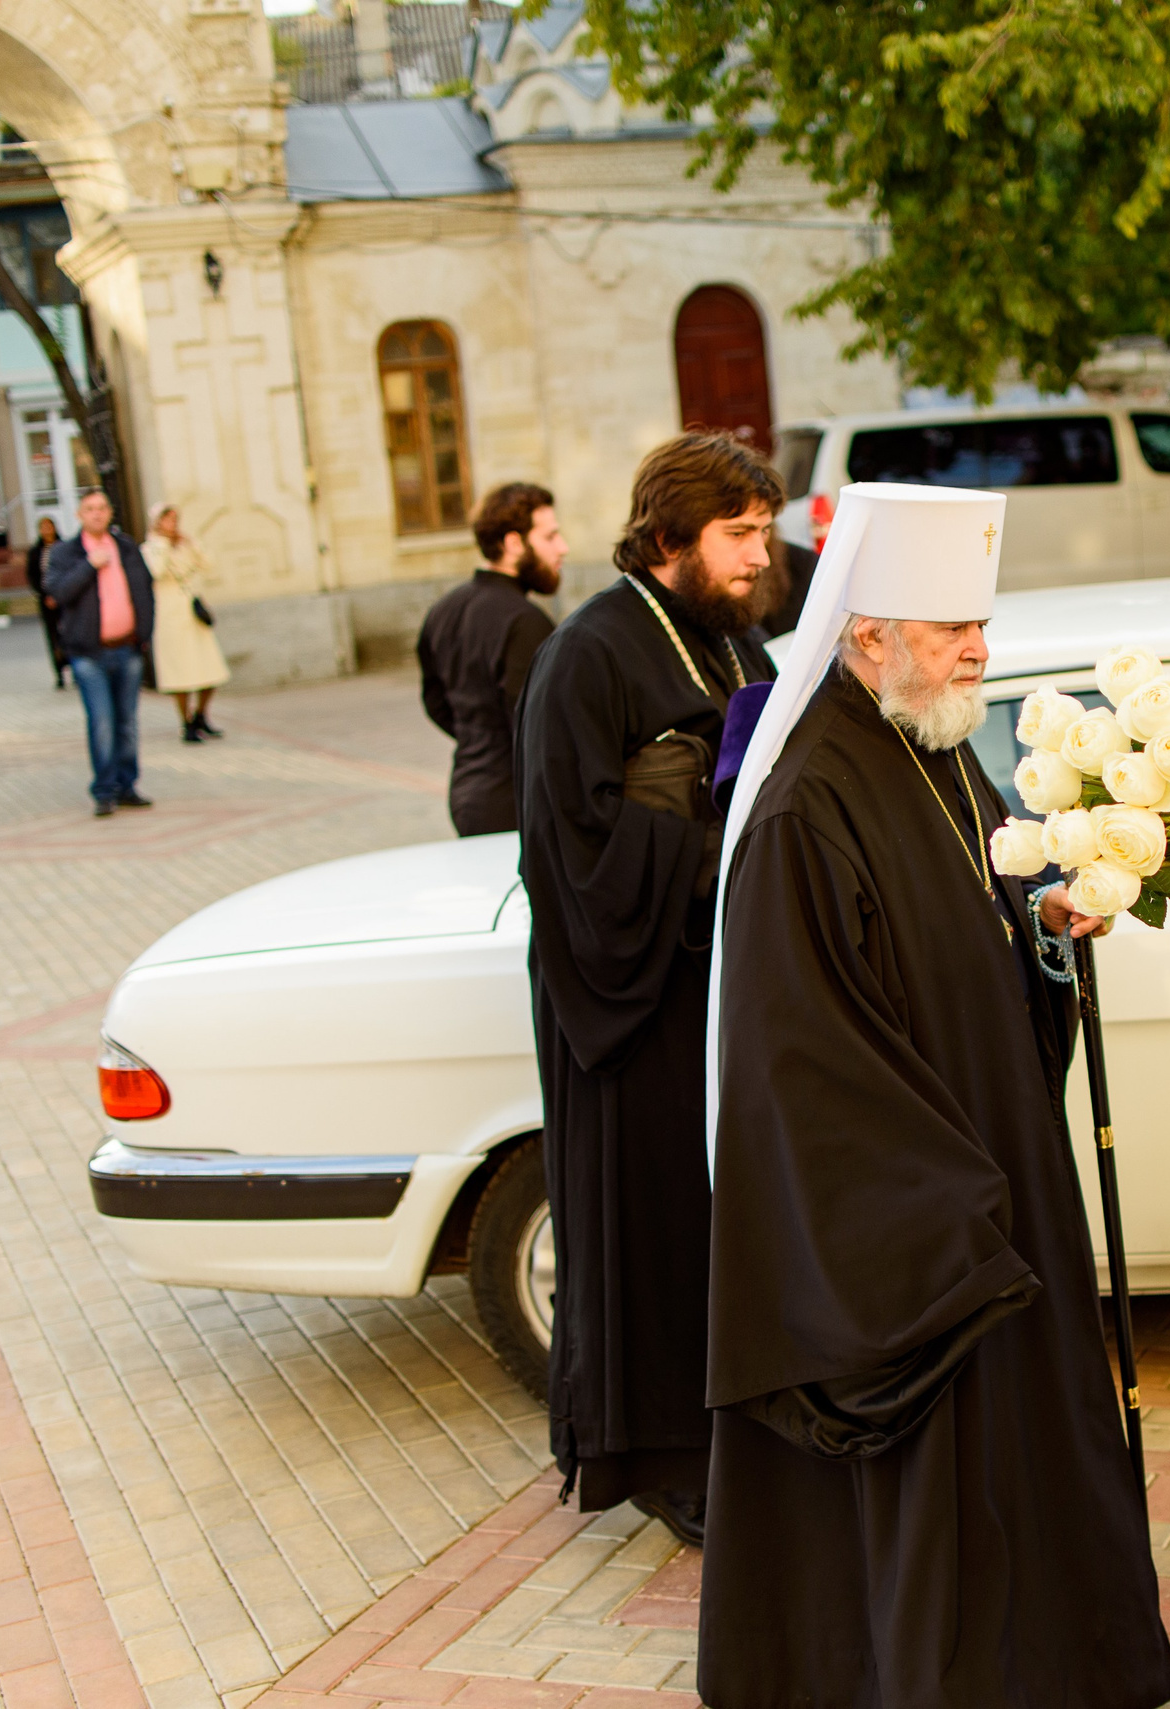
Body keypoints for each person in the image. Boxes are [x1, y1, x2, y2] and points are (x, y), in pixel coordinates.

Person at [698, 481, 1170, 1709]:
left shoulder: (936, 746)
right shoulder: (804, 803)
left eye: (980, 623)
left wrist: (1044, 924)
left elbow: (979, 907)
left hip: (997, 1187)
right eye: (950, 626)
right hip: (924, 1241)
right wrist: (951, 1211)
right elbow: (800, 1063)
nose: (979, 649)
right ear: (867, 634)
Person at [514, 435, 783, 1542]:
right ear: (669, 536)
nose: (758, 556)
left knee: (725, 1227)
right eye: (738, 535)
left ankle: (741, 1438)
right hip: (630, 1001)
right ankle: (672, 1462)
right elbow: (570, 851)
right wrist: (693, 829)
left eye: (764, 533)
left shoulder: (732, 638)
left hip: (717, 985)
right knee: (656, 1231)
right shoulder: (586, 654)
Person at [417, 483, 565, 836]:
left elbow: (435, 702)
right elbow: (539, 729)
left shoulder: (445, 609)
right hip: (515, 802)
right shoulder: (524, 621)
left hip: (467, 791)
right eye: (550, 537)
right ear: (514, 543)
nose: (563, 548)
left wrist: (478, 738)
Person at [43, 490, 155, 819]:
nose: (97, 513)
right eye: (90, 509)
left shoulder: (126, 548)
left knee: (127, 722)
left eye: (103, 507)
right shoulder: (65, 552)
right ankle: (104, 790)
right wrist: (89, 566)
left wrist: (144, 633)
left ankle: (127, 785)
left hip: (127, 648)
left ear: (110, 512)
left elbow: (145, 591)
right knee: (102, 722)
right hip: (88, 654)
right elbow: (58, 592)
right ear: (79, 515)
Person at [145, 505, 231, 741]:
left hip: (193, 612)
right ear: (158, 522)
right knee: (179, 673)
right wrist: (163, 543)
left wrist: (193, 544)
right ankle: (186, 722)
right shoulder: (151, 547)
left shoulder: (185, 545)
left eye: (175, 519)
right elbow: (156, 571)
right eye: (168, 520)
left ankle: (201, 715)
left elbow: (209, 565)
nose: (173, 524)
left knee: (211, 668)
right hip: (170, 615)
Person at [25, 514, 69, 689]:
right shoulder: (36, 551)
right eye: (43, 528)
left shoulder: (64, 547)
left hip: (66, 598)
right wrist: (45, 595)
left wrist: (62, 594)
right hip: (46, 601)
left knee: (69, 633)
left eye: (49, 527)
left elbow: (69, 571)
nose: (47, 530)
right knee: (53, 637)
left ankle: (74, 667)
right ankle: (59, 673)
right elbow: (33, 576)